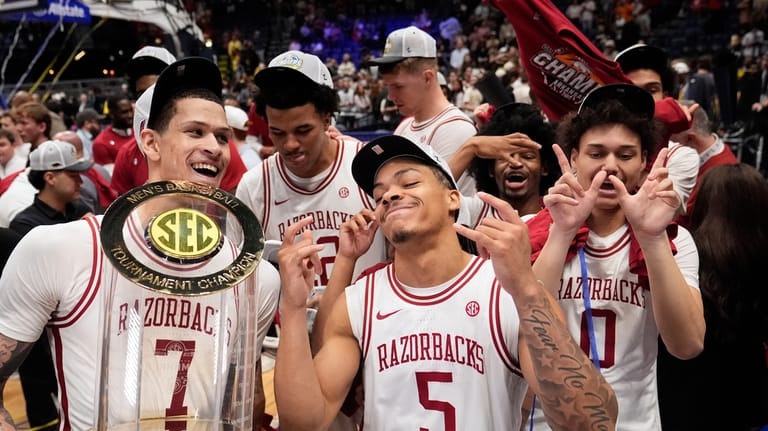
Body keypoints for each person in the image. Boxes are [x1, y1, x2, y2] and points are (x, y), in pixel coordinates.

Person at [0, 57, 280, 429]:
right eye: (195, 131)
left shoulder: (256, 277)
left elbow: (241, 401)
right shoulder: (62, 249)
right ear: (150, 142)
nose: (214, 146)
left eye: (222, 136)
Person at [274, 134, 618, 430]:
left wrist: (527, 288)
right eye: (380, 195)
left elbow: (593, 422)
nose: (390, 196)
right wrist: (291, 306)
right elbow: (304, 423)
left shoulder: (507, 292)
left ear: (453, 198)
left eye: (408, 183)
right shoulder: (357, 301)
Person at [525, 84, 705, 430]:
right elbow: (522, 326)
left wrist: (651, 239)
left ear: (642, 165)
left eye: (625, 155)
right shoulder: (531, 229)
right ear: (573, 157)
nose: (610, 166)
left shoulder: (673, 240)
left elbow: (687, 345)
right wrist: (561, 232)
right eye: (596, 153)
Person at [237, 50, 387, 307]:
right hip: (293, 336)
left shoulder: (370, 166)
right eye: (278, 133)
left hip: (370, 331)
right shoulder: (254, 186)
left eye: (303, 130)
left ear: (327, 119)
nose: (290, 144)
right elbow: (244, 287)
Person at [656, 163, 768, 431]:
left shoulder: (684, 253)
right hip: (745, 394)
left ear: (703, 202)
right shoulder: (761, 258)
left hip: (678, 389)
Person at [6, 139, 93, 430]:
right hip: (40, 341)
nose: (81, 179)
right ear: (50, 177)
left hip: (80, 333)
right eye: (73, 173)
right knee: (45, 408)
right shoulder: (25, 226)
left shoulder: (80, 208)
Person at [111, 46, 249, 196]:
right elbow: (121, 211)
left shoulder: (218, 148)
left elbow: (237, 205)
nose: (214, 148)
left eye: (159, 88)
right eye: (142, 93)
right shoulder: (127, 154)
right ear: (150, 143)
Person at [365, 26, 478, 195]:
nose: (390, 96)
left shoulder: (456, 129)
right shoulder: (406, 125)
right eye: (388, 86)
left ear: (427, 77)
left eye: (398, 86)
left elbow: (430, 203)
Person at [614, 43, 700, 213]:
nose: (641, 101)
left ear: (665, 96)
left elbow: (663, 214)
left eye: (651, 90)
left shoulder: (682, 157)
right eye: (632, 90)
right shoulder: (593, 147)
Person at [466, 103, 558, 220]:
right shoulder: (474, 213)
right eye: (505, 157)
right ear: (491, 169)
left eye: (528, 156)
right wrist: (472, 146)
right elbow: (436, 201)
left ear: (545, 168)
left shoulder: (560, 221)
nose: (516, 163)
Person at [668, 100, 738, 228]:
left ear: (690, 139)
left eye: (669, 143)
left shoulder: (721, 179)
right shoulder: (718, 157)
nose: (665, 149)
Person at [91, 95, 134, 174]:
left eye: (131, 111)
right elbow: (111, 176)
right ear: (112, 114)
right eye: (124, 112)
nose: (130, 115)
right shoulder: (101, 143)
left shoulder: (140, 132)